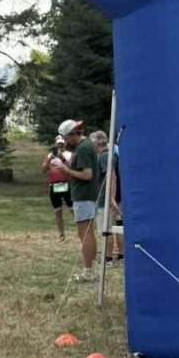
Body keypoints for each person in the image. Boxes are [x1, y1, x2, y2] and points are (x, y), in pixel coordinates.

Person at [58, 119, 101, 282]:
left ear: (72, 134)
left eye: (66, 137)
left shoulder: (82, 148)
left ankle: (88, 272)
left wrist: (67, 170)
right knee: (89, 233)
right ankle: (92, 270)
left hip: (84, 196)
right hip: (87, 196)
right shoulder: (86, 145)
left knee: (84, 234)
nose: (65, 141)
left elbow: (87, 174)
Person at [91, 131, 124, 263]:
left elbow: (112, 176)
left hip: (107, 198)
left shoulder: (105, 156)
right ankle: (121, 255)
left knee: (107, 228)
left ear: (98, 141)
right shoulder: (113, 153)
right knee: (118, 226)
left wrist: (110, 198)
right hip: (117, 197)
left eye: (92, 140)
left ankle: (108, 258)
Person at [41, 136, 73, 241]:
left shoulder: (69, 155)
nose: (60, 146)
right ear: (55, 145)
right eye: (58, 144)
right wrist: (50, 158)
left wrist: (62, 159)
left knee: (72, 209)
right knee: (57, 210)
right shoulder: (49, 156)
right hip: (54, 185)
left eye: (62, 144)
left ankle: (81, 229)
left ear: (65, 144)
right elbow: (44, 170)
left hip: (67, 184)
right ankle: (61, 234)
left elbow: (72, 167)